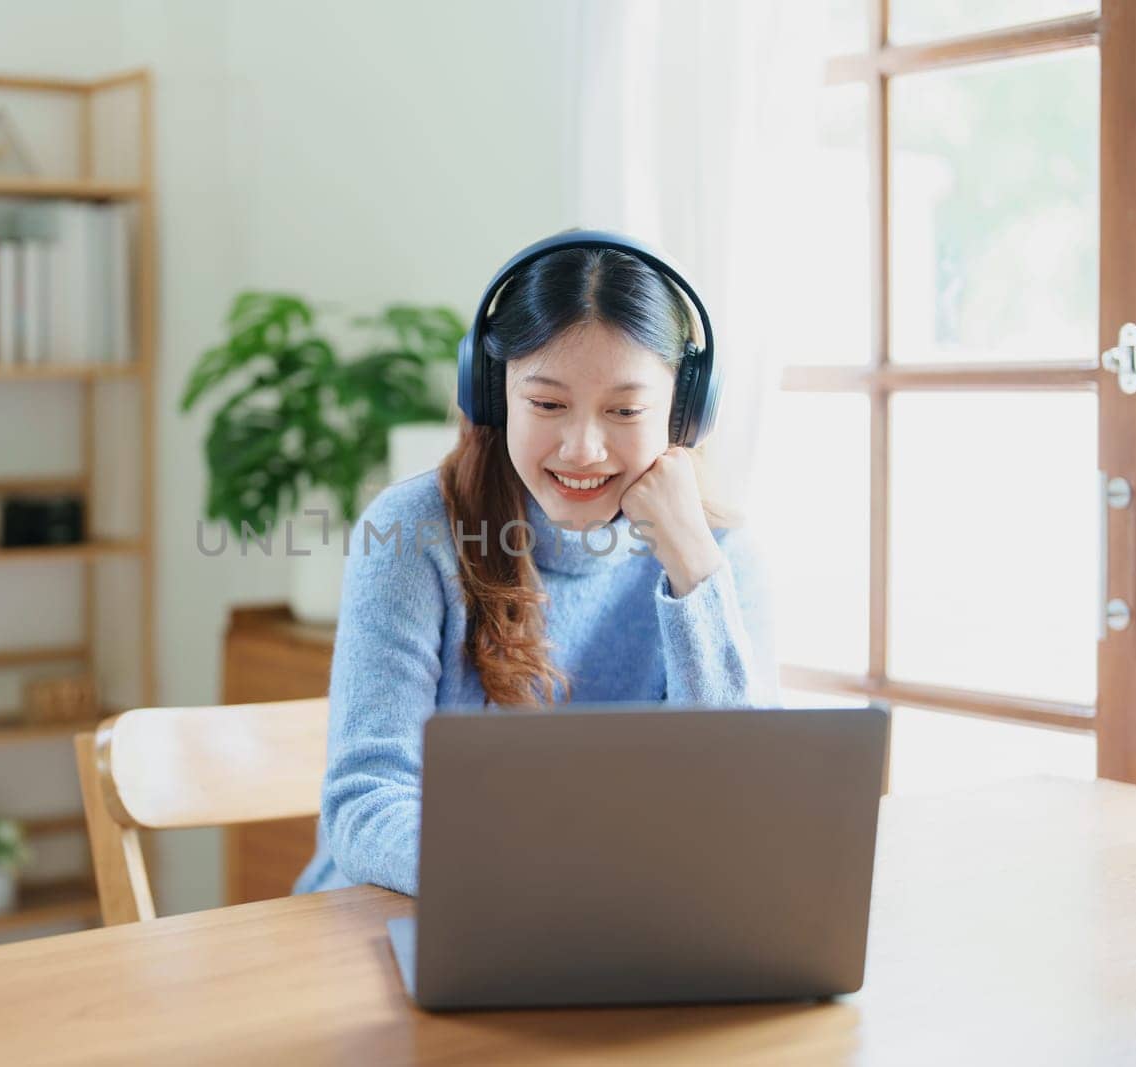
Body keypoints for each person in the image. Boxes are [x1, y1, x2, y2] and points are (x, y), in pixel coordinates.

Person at [292, 233, 779, 898]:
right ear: (494, 395)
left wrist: (692, 565)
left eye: (626, 410)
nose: (583, 448)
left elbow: (746, 799)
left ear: (684, 412)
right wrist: (525, 871)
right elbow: (366, 800)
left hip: (612, 921)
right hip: (407, 909)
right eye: (547, 404)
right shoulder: (410, 534)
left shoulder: (718, 558)